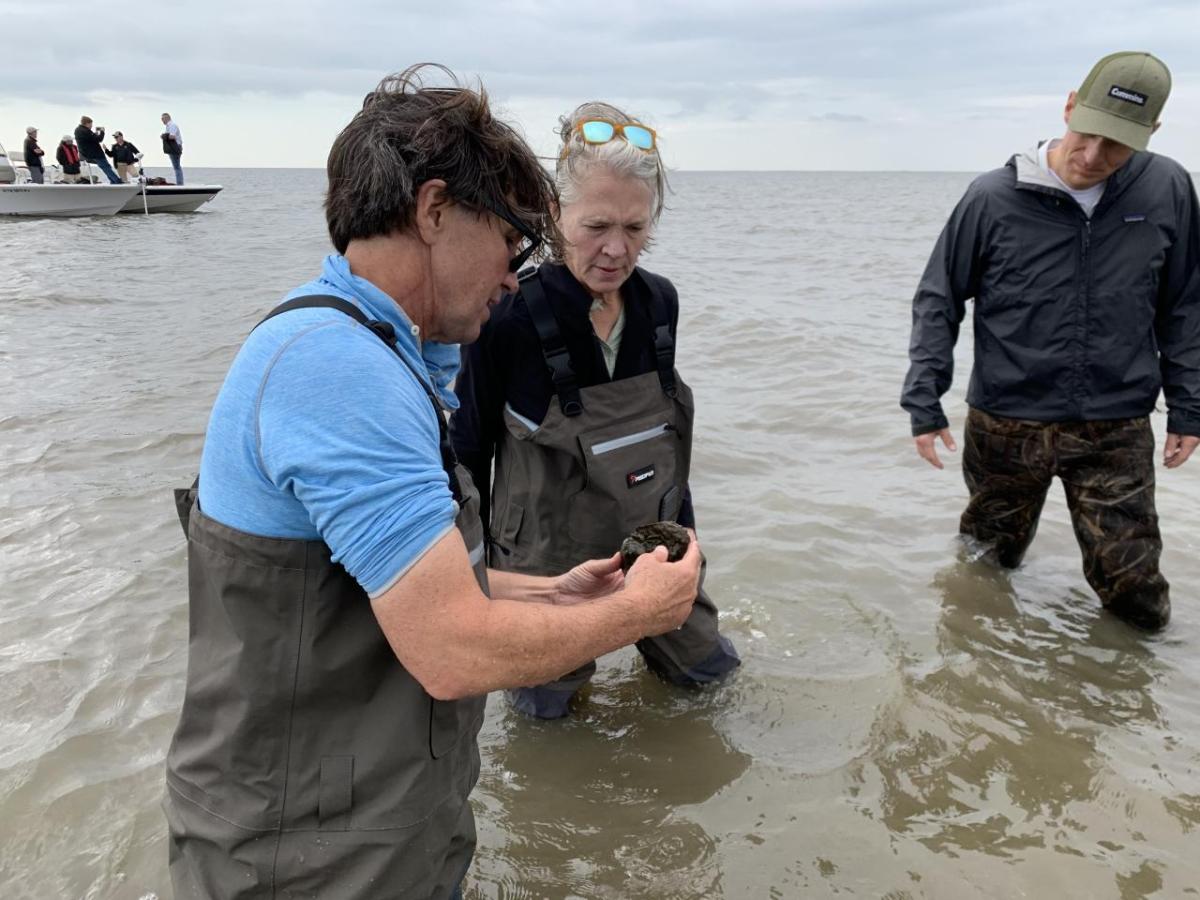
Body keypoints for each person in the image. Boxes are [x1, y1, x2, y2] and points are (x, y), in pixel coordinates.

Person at [165, 65, 702, 900]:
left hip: (365, 826)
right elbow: (451, 651)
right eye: (512, 241)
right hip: (302, 859)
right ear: (435, 210)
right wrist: (636, 613)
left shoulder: (381, 351)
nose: (517, 276)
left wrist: (552, 593)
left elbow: (387, 586)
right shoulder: (337, 371)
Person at [450, 102, 741, 720]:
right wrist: (471, 579)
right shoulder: (506, 317)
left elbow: (670, 442)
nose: (616, 249)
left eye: (635, 229)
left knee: (712, 682)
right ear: (554, 213)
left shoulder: (660, 303)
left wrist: (687, 543)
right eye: (597, 226)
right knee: (547, 724)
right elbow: (468, 450)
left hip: (652, 543)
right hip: (545, 559)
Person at [901, 51, 1200, 631]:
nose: (1093, 157)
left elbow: (1185, 303)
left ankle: (1129, 707)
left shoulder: (1167, 187)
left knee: (1137, 594)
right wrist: (924, 399)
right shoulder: (992, 196)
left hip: (1116, 426)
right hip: (1006, 423)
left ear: (1150, 133)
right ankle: (982, 688)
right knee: (984, 572)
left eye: (1116, 145)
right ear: (1069, 107)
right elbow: (939, 297)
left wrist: (1189, 406)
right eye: (1086, 135)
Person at [74, 116, 121, 184]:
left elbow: (90, 139)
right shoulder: (85, 131)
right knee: (106, 166)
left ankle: (113, 180)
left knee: (104, 166)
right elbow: (99, 139)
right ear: (87, 123)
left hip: (86, 154)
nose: (91, 126)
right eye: (91, 124)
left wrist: (94, 135)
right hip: (95, 153)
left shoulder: (78, 130)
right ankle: (116, 180)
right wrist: (102, 132)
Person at [160, 112, 183, 184]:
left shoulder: (172, 125)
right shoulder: (168, 126)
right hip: (172, 148)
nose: (162, 120)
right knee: (176, 167)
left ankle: (180, 184)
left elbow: (172, 136)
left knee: (177, 167)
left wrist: (164, 136)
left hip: (175, 148)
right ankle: (180, 183)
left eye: (163, 119)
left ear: (167, 118)